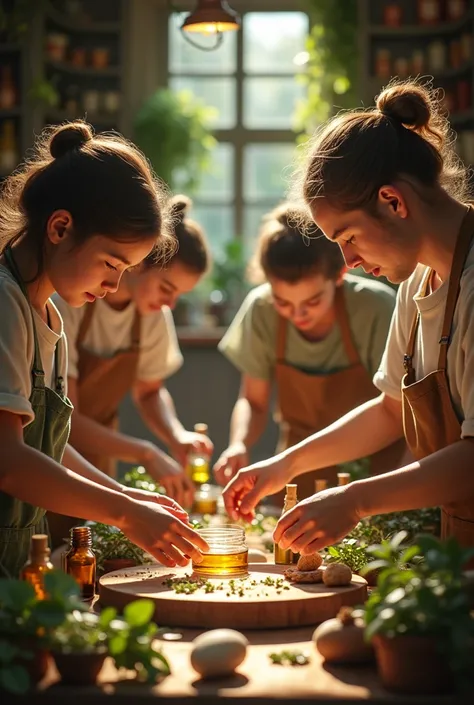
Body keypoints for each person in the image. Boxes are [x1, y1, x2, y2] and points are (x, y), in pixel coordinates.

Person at [222, 79, 474, 563]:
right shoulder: (418, 283)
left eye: (349, 236)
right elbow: (388, 409)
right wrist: (284, 465)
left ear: (393, 201)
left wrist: (355, 501)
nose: (349, 261)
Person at [0, 120, 208, 578]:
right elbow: (10, 463)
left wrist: (129, 497)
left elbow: (46, 448)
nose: (117, 284)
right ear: (60, 227)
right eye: (112, 263)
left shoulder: (48, 315)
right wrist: (126, 513)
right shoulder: (6, 303)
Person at [214, 203, 404, 503]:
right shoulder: (260, 309)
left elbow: (396, 410)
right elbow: (253, 400)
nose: (298, 315)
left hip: (372, 474)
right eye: (283, 303)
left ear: (339, 275)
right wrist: (239, 444)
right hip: (294, 477)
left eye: (312, 302)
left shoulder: (375, 307)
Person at [54, 195, 213, 511]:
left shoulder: (153, 316)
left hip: (102, 450)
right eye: (167, 288)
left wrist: (176, 434)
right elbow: (65, 419)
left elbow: (149, 391)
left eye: (179, 296)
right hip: (54, 450)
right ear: (138, 263)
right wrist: (146, 453)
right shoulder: (70, 302)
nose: (170, 303)